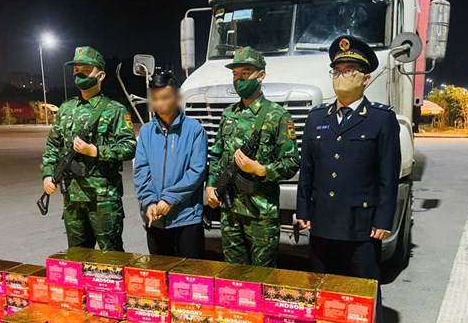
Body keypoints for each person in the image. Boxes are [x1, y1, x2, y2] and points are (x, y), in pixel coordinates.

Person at [296, 35, 401, 323]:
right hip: (323, 223)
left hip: (361, 225)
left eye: (350, 70)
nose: (342, 76)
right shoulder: (317, 118)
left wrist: (383, 219)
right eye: (337, 70)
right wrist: (303, 211)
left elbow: (388, 175)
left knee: (364, 290)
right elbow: (307, 170)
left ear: (366, 79)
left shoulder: (381, 119)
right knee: (323, 289)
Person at [206, 47, 300, 267]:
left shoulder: (277, 116)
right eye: (235, 74)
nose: (239, 80)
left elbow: (292, 162)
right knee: (233, 275)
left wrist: (261, 170)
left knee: (262, 275)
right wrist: (210, 185)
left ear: (261, 75)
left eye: (246, 73)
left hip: (261, 213)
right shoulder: (228, 114)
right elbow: (217, 153)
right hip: (230, 210)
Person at [41, 46, 136, 251]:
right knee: (77, 257)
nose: (79, 74)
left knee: (111, 258)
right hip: (72, 199)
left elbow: (129, 147)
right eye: (76, 70)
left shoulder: (115, 110)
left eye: (86, 70)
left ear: (100, 75)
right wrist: (48, 175)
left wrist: (95, 151)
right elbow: (53, 145)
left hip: (103, 199)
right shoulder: (66, 109)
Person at [133, 69, 208, 258]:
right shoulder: (147, 132)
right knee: (159, 270)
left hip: (187, 218)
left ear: (177, 97)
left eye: (165, 97)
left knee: (189, 272)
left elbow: (197, 171)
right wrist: (149, 201)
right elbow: (141, 170)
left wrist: (169, 199)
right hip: (155, 217)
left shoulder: (194, 130)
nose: (159, 103)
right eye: (155, 98)